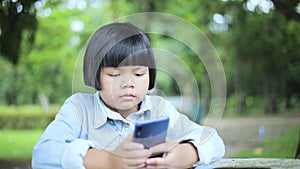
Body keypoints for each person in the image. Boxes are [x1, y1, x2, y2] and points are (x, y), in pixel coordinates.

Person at [32, 22, 225, 169]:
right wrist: (109, 160)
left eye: (139, 74)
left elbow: (213, 141)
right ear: (94, 74)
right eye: (115, 74)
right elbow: (42, 154)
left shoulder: (159, 109)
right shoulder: (79, 108)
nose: (128, 83)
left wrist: (183, 154)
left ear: (150, 75)